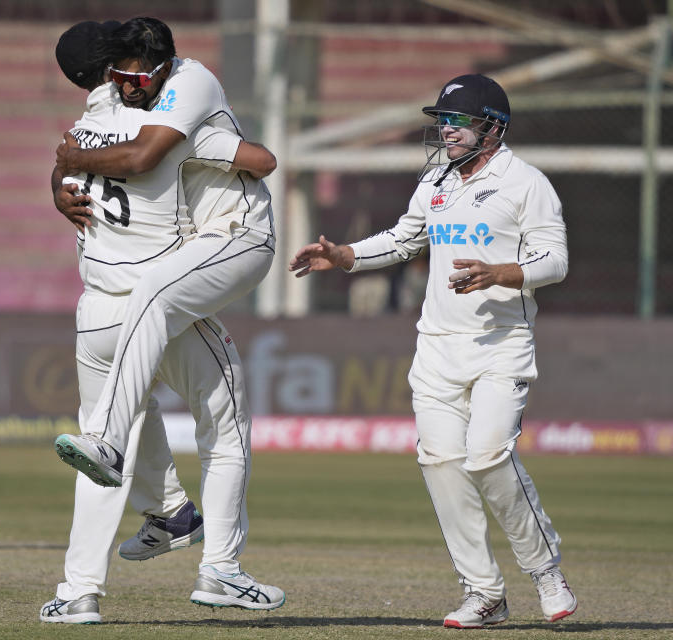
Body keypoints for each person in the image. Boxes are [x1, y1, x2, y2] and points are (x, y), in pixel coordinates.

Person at [289, 74, 576, 628]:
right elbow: (404, 238)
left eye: (458, 121)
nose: (446, 130)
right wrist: (346, 254)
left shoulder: (526, 182)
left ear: (492, 126)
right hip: (437, 348)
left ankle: (545, 571)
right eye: (442, 120)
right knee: (440, 463)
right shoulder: (436, 180)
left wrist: (503, 273)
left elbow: (556, 260)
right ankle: (483, 593)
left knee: (490, 458)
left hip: (500, 343)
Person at [44, 17, 284, 620]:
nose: (130, 82)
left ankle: (80, 591)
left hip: (97, 308)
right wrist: (226, 148)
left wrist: (61, 173)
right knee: (221, 429)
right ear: (108, 71)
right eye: (121, 71)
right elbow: (258, 158)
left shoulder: (86, 127)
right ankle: (220, 569)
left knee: (108, 438)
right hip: (158, 301)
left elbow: (81, 159)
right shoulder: (170, 123)